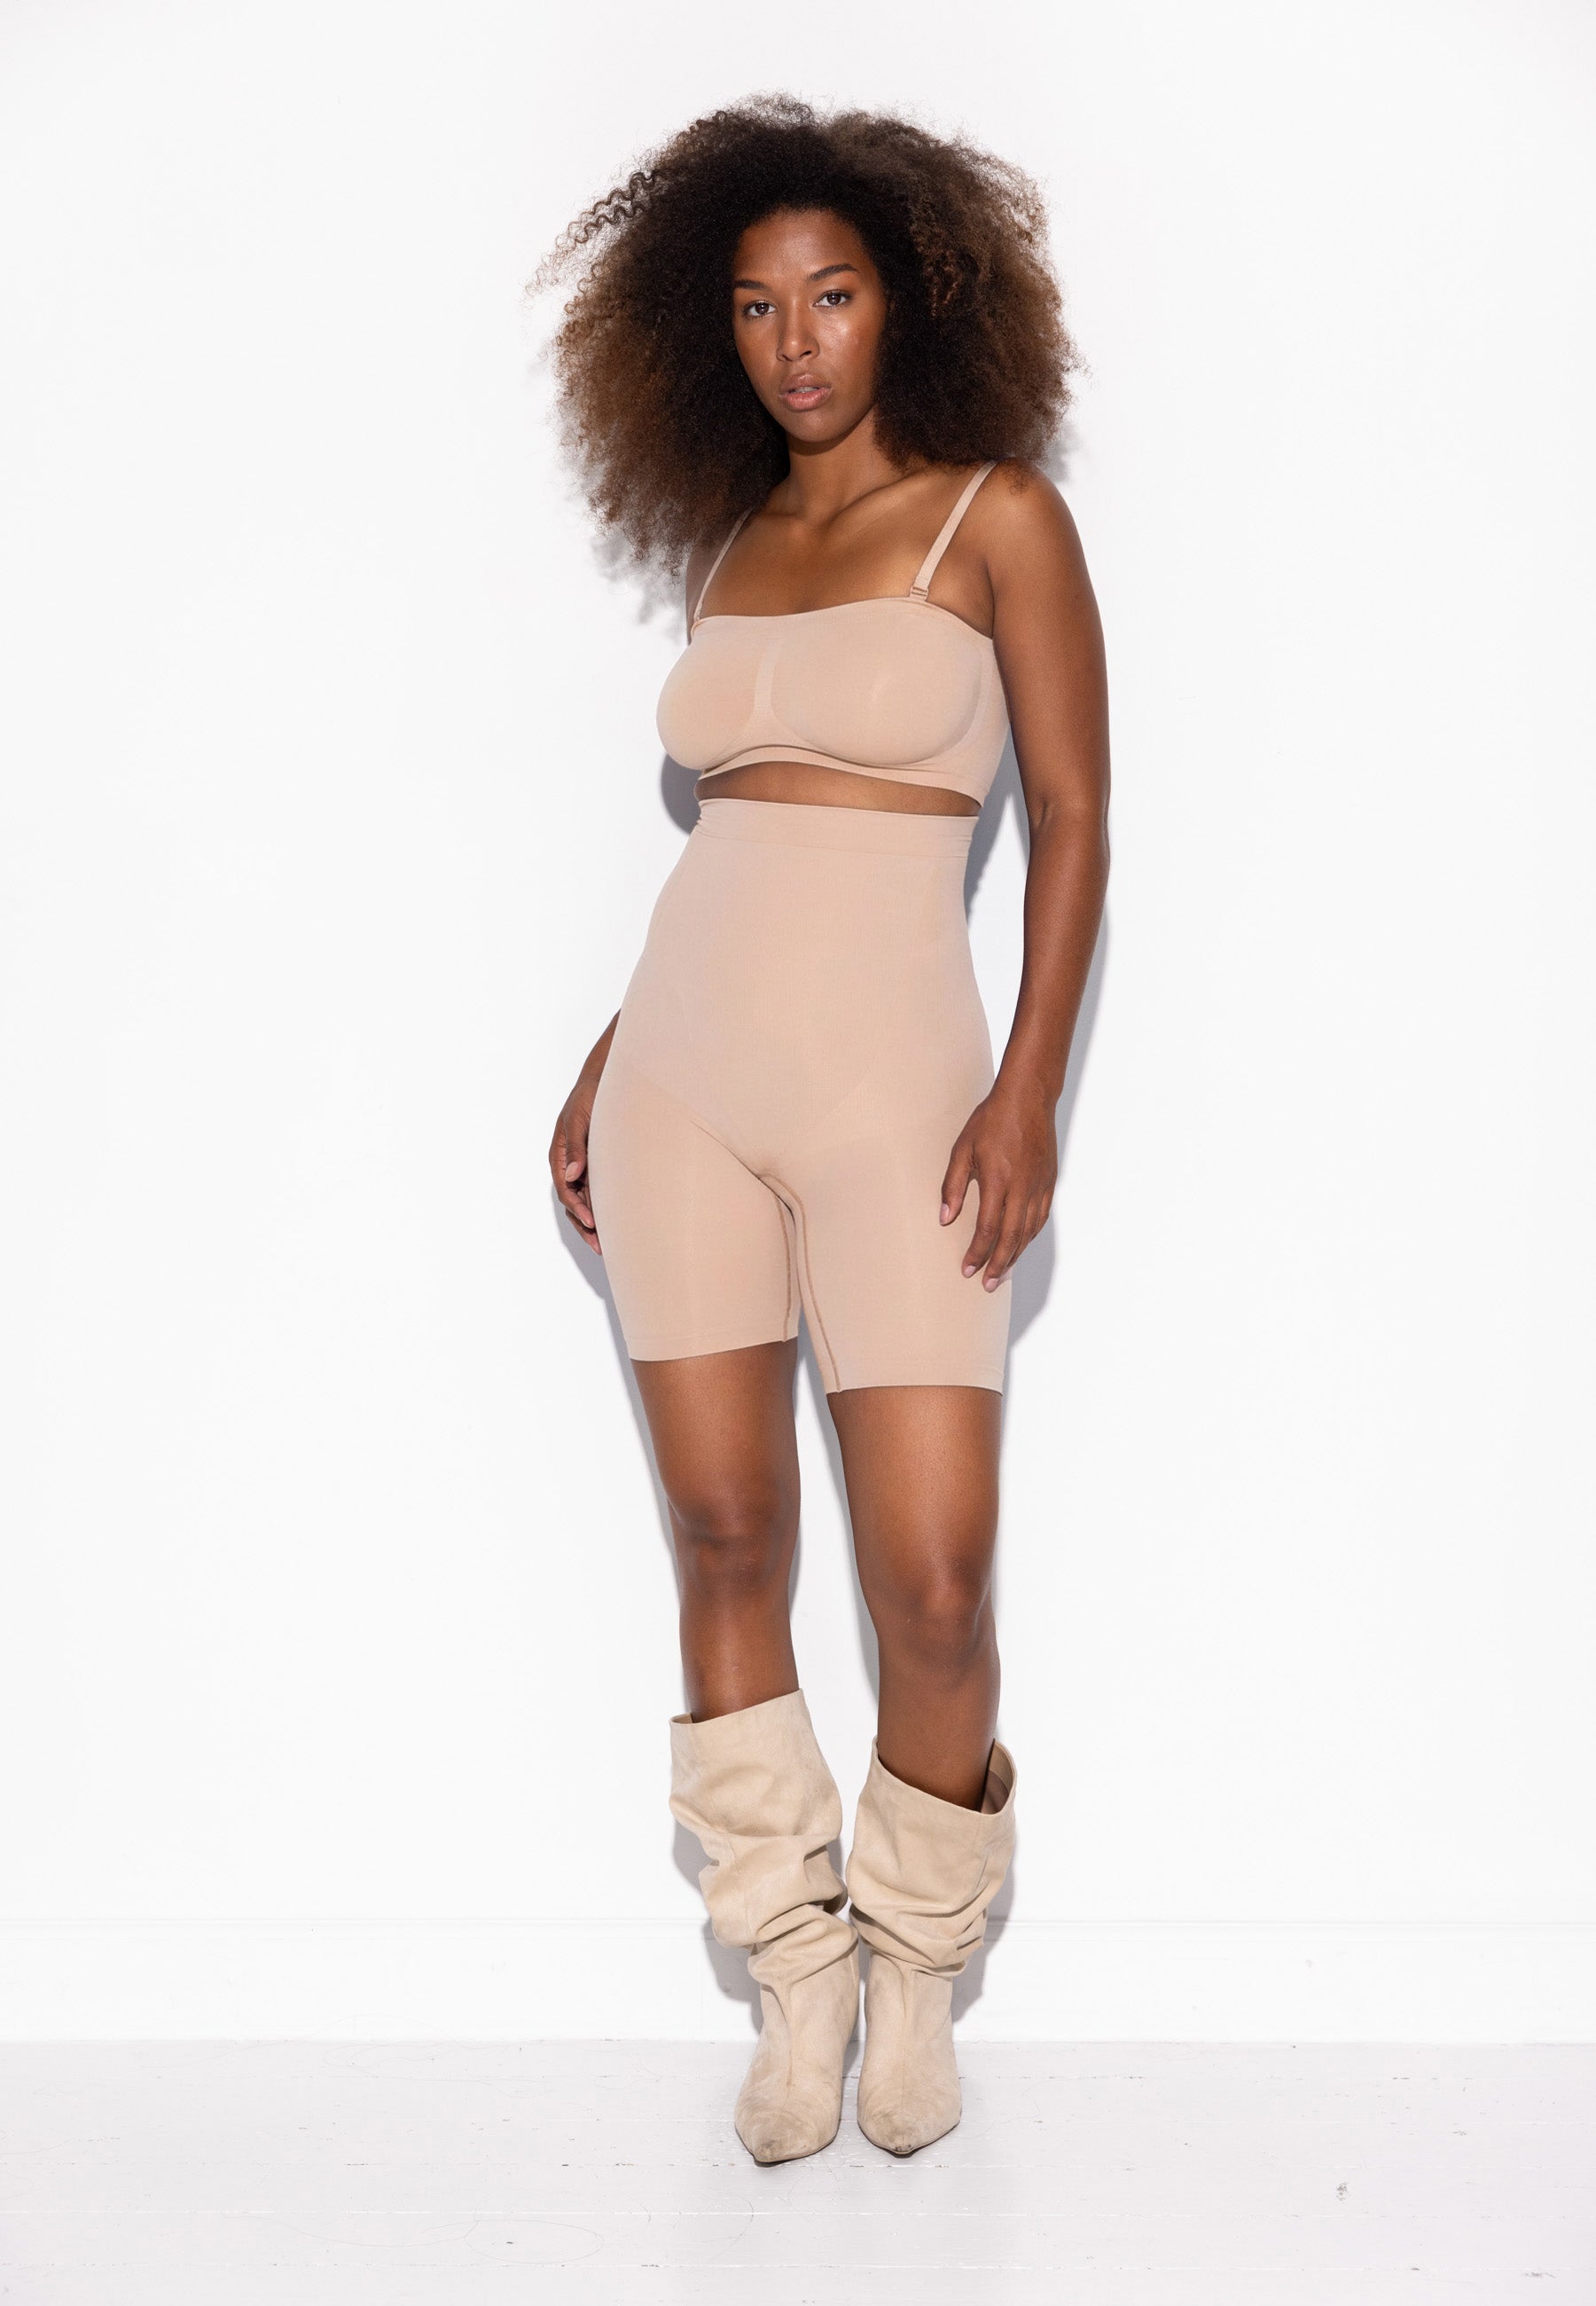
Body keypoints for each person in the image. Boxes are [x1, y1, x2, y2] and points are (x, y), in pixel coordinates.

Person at [535, 95, 1110, 2166]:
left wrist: (1030, 1085)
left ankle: (917, 1963)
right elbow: (740, 844)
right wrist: (611, 1052)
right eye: (758, 305)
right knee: (724, 1534)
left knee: (933, 1579)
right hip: (682, 1075)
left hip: (908, 1098)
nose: (796, 340)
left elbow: (1076, 827)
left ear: (912, 301)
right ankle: (792, 1969)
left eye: (835, 294)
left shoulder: (996, 520)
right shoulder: (731, 549)